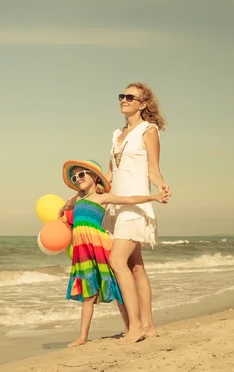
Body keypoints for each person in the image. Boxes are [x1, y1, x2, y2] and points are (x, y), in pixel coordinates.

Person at [60, 159, 169, 348]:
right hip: (82, 251)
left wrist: (153, 197)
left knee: (117, 288)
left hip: (100, 246)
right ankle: (82, 337)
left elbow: (129, 200)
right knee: (88, 293)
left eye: (82, 174)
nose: (78, 179)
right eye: (74, 177)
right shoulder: (76, 199)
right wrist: (62, 216)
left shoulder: (103, 197)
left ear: (94, 176)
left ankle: (131, 327)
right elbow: (62, 209)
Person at [102, 82, 171, 345]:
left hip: (136, 205)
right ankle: (149, 326)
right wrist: (88, 190)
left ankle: (135, 327)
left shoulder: (148, 130)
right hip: (117, 205)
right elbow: (111, 173)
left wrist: (161, 186)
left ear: (143, 104)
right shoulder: (116, 134)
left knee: (117, 261)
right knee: (136, 266)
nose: (124, 99)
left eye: (130, 97)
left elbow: (153, 169)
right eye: (122, 95)